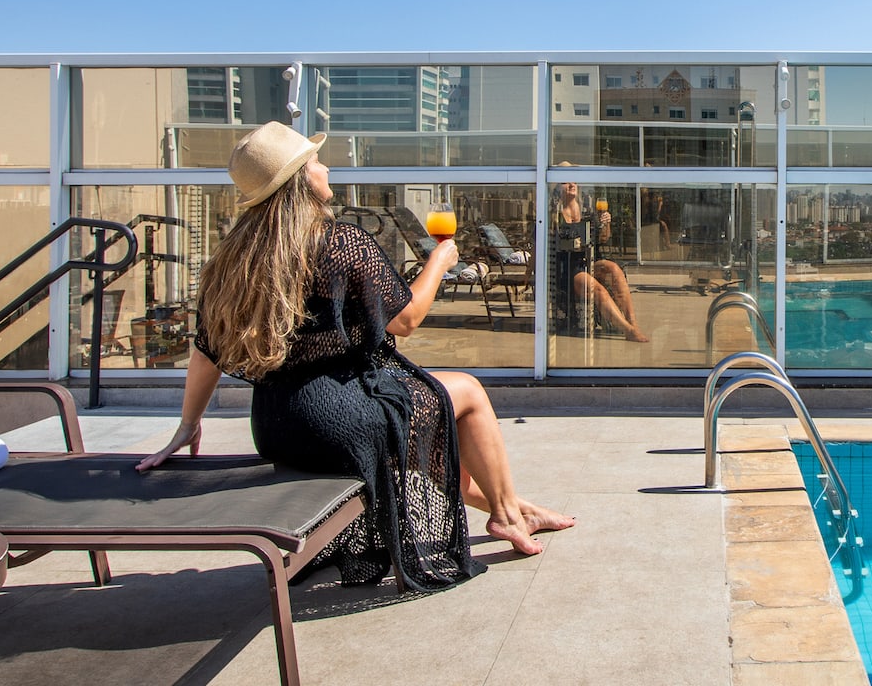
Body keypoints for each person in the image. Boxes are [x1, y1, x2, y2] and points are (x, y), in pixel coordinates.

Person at [137, 122, 571, 592]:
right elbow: (404, 320)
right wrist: (438, 263)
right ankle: (507, 515)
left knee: (423, 419)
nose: (325, 167)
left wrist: (186, 425)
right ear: (301, 179)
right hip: (335, 416)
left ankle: (516, 506)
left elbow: (207, 352)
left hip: (276, 426)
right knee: (465, 393)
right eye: (315, 162)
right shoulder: (339, 242)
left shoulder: (237, 257)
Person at [551, 178, 648, 342]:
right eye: (565, 182)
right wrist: (528, 272)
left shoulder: (588, 211)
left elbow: (603, 238)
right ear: (558, 188)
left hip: (589, 260)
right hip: (569, 266)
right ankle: (628, 330)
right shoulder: (554, 215)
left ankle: (633, 322)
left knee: (615, 269)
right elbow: (539, 242)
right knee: (597, 289)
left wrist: (606, 223)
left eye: (574, 181)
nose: (571, 184)